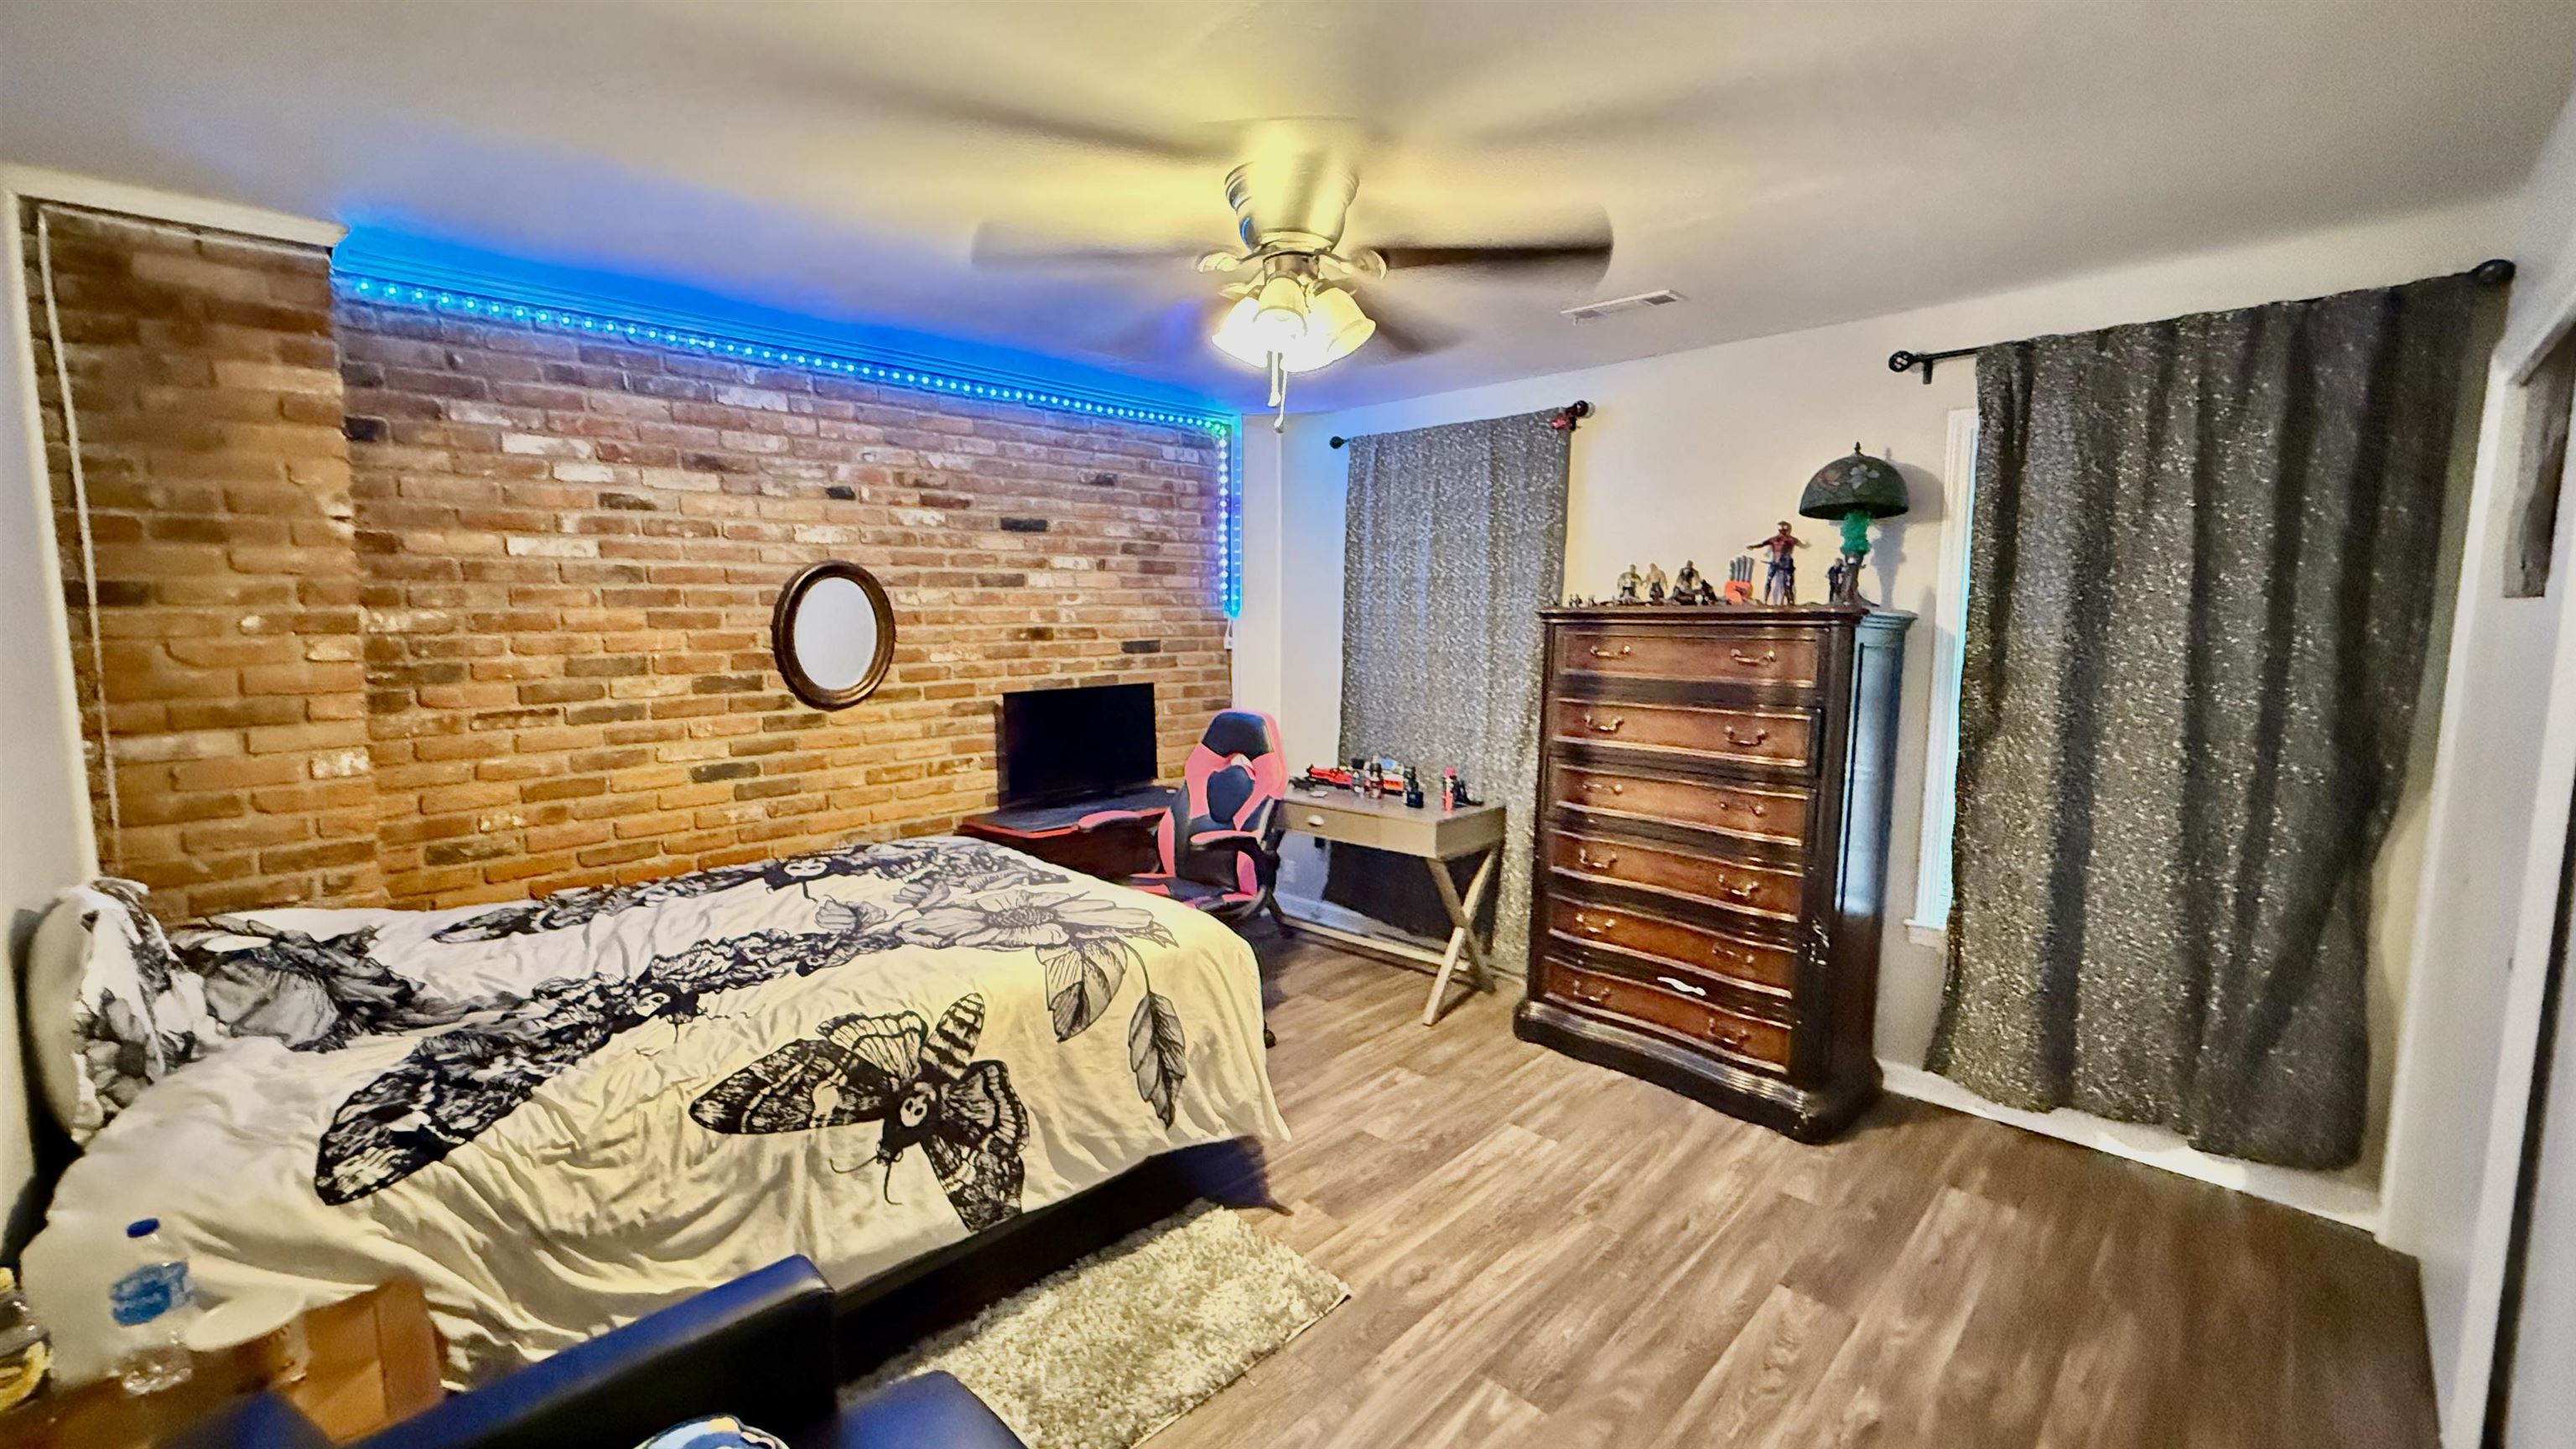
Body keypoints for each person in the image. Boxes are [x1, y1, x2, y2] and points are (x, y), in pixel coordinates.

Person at [1748, 522, 1804, 605]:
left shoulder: (1791, 539)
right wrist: (1753, 547)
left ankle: (1790, 601)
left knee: (1788, 584)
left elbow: (1801, 545)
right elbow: (1762, 544)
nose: (1782, 531)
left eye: (1784, 528)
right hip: (1775, 563)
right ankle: (1765, 600)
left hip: (1786, 564)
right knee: (1769, 581)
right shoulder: (1774, 539)